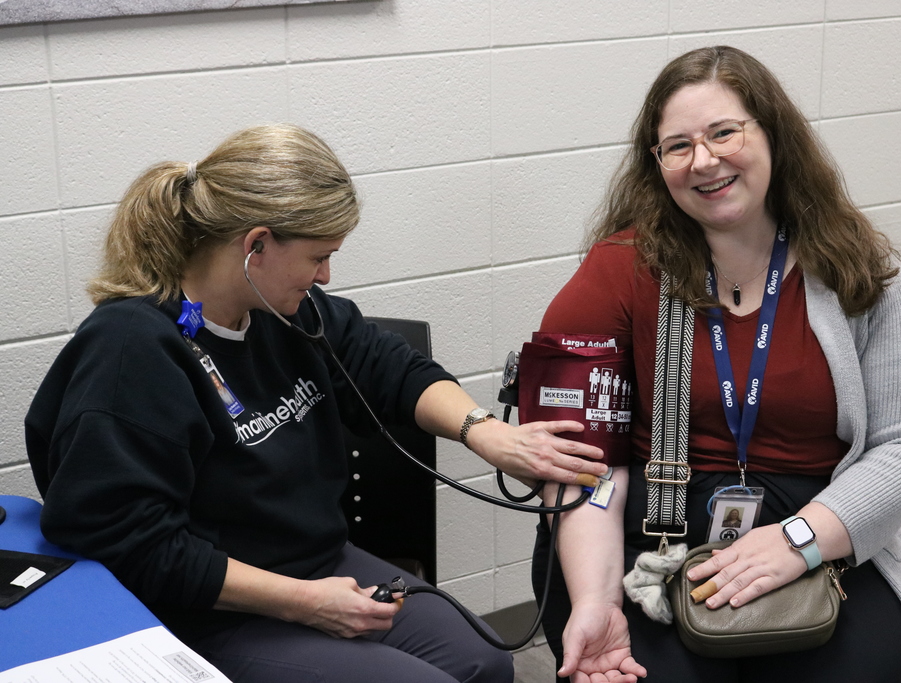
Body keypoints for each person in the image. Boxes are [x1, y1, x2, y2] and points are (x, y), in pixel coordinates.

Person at [24, 124, 608, 683]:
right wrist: (305, 603)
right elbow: (133, 544)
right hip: (207, 606)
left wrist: (486, 433)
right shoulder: (131, 349)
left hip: (316, 563)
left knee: (482, 660)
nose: (326, 275)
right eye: (318, 256)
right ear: (256, 246)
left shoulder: (287, 313)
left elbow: (388, 367)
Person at [530, 46, 901, 683]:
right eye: (677, 146)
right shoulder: (618, 271)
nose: (703, 160)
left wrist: (798, 542)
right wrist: (597, 598)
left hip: (827, 533)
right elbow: (579, 461)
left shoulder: (857, 270)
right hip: (653, 541)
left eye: (724, 132)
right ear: (658, 164)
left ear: (773, 135)